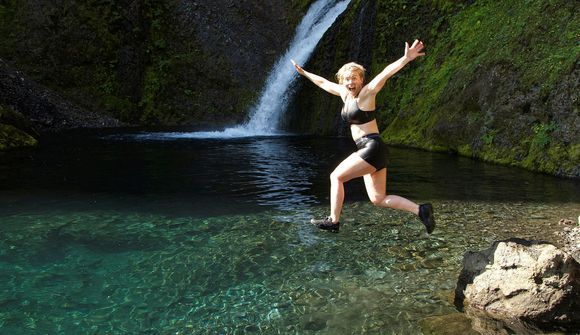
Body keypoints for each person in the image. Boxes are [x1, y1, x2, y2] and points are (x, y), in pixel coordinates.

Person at [291, 39, 435, 234]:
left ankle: (334, 221)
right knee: (378, 199)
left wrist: (406, 58)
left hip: (371, 146)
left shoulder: (367, 94)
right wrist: (304, 73)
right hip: (374, 150)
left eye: (355, 78)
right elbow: (323, 83)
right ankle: (421, 210)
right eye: (347, 79)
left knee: (336, 177)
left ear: (361, 80)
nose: (351, 82)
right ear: (343, 81)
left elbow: (385, 73)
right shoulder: (345, 94)